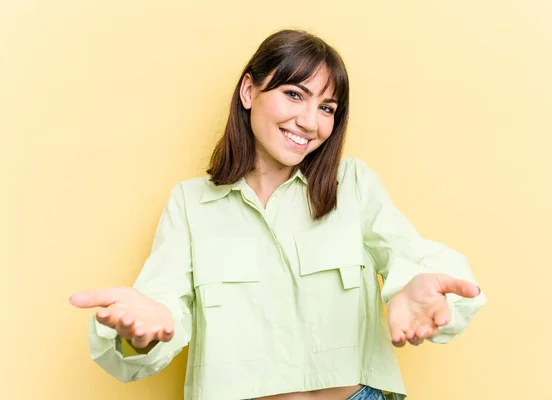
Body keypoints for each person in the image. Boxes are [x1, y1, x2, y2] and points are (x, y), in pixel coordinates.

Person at [70, 29, 486, 400]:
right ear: (249, 91)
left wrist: (420, 287)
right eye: (294, 94)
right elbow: (159, 308)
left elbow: (413, 260)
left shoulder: (353, 184)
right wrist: (142, 332)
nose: (309, 122)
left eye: (327, 107)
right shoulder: (189, 203)